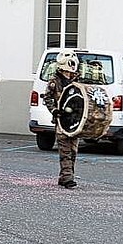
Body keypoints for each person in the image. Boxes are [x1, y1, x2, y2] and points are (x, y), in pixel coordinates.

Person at [42, 50, 81, 188]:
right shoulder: (55, 81)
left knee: (73, 151)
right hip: (61, 120)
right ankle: (68, 178)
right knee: (65, 151)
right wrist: (54, 110)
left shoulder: (76, 80)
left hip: (75, 121)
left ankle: (64, 176)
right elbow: (47, 97)